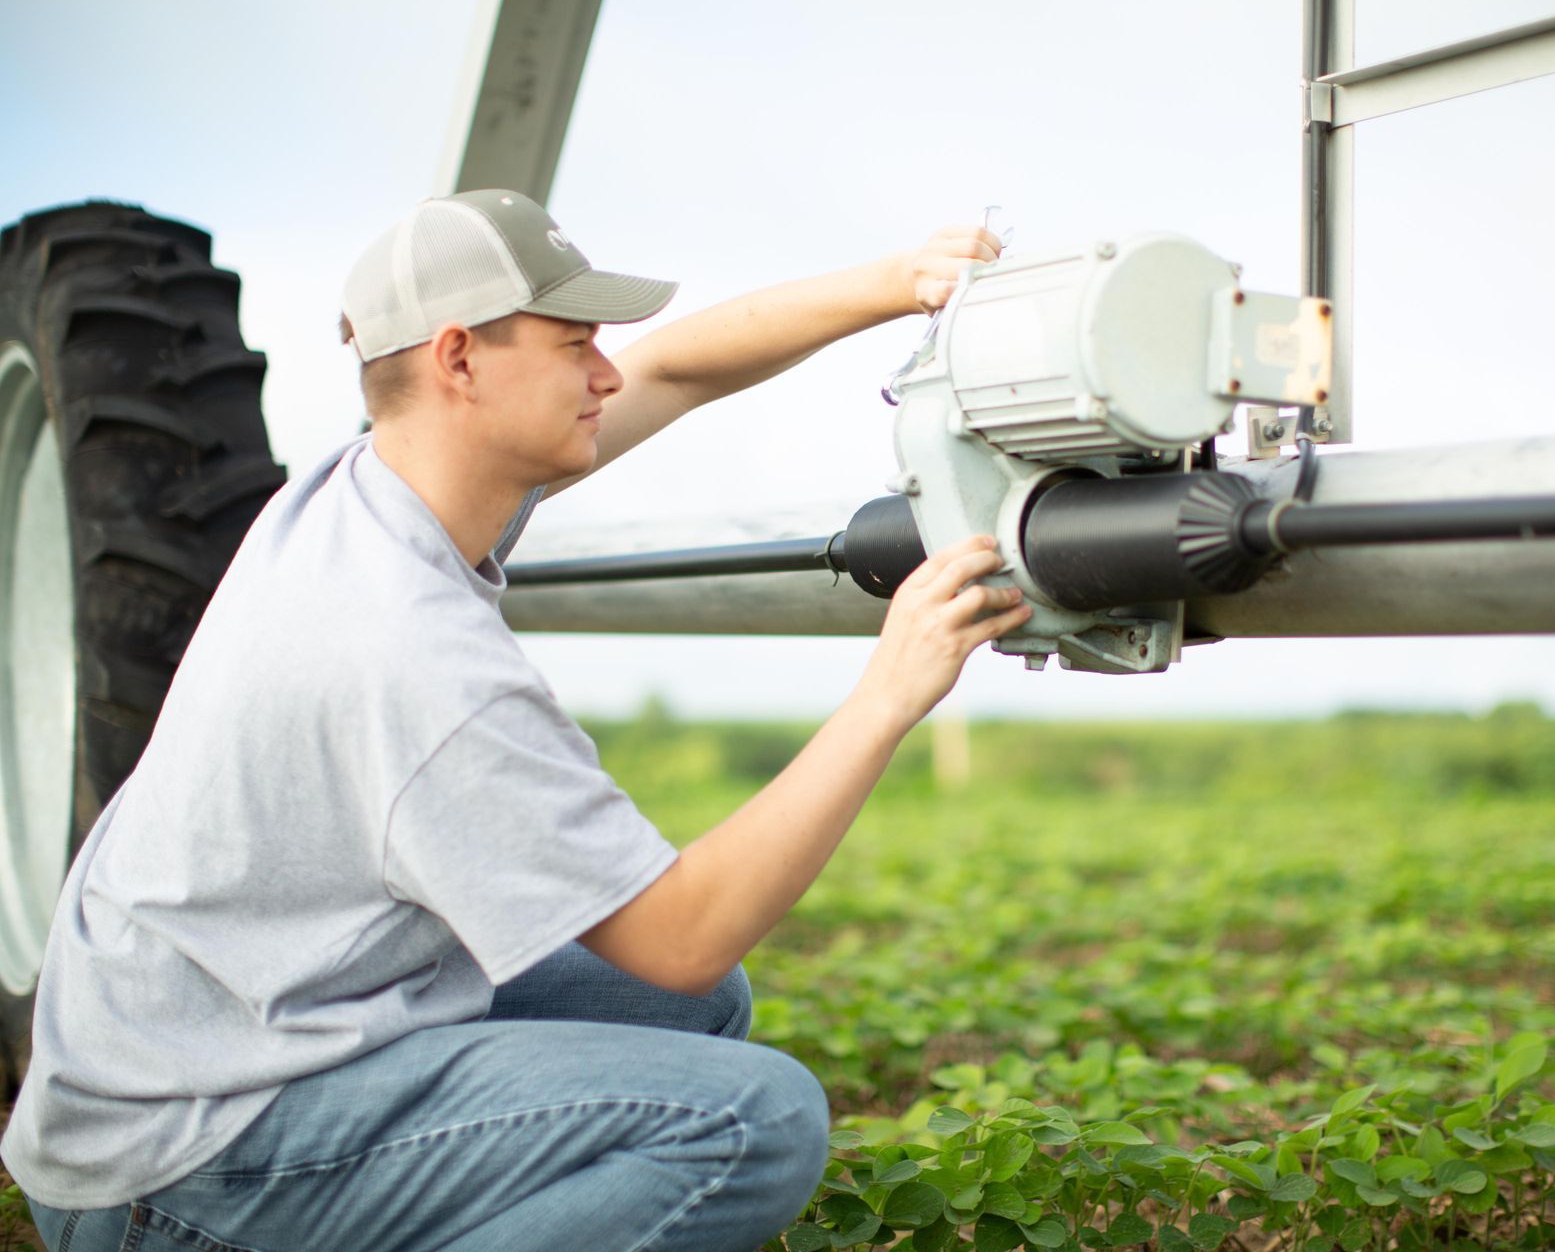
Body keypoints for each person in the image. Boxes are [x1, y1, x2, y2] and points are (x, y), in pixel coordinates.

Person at [2, 188, 1031, 1251]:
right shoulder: (409, 648)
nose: (605, 373)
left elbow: (674, 369)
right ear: (458, 359)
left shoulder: (372, 486)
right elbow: (679, 931)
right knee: (750, 1121)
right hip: (168, 1172)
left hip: (191, 1053)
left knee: (693, 1006)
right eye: (575, 342)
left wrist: (898, 280)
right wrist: (888, 692)